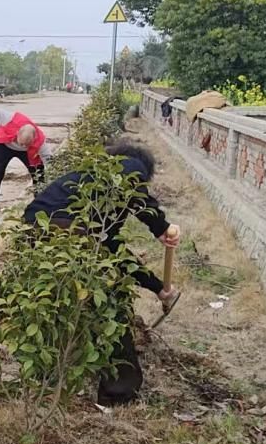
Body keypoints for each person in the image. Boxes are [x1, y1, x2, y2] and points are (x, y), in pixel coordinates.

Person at [22, 141, 181, 405]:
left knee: (52, 301)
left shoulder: (95, 191)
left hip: (32, 232)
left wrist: (157, 287)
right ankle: (118, 392)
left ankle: (47, 375)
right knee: (110, 306)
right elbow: (130, 177)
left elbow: (114, 251)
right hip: (66, 229)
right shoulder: (125, 166)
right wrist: (160, 226)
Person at [0, 104, 53, 226]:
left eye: (26, 144)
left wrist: (54, 178)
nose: (22, 146)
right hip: (4, 145)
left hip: (28, 153)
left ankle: (40, 211)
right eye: (21, 143)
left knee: (39, 177)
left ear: (34, 138)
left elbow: (50, 162)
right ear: (17, 132)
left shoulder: (41, 143)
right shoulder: (10, 119)